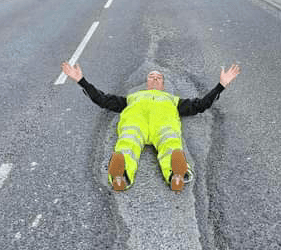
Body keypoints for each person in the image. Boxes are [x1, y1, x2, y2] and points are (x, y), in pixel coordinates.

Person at [61, 62, 241, 191]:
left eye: (159, 77)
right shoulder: (132, 97)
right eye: (151, 76)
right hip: (135, 123)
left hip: (163, 125)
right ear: (147, 82)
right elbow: (102, 99)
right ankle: (120, 176)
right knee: (127, 144)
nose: (155, 78)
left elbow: (200, 105)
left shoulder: (173, 99)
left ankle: (176, 175)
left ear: (163, 84)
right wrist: (81, 80)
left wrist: (221, 86)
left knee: (170, 143)